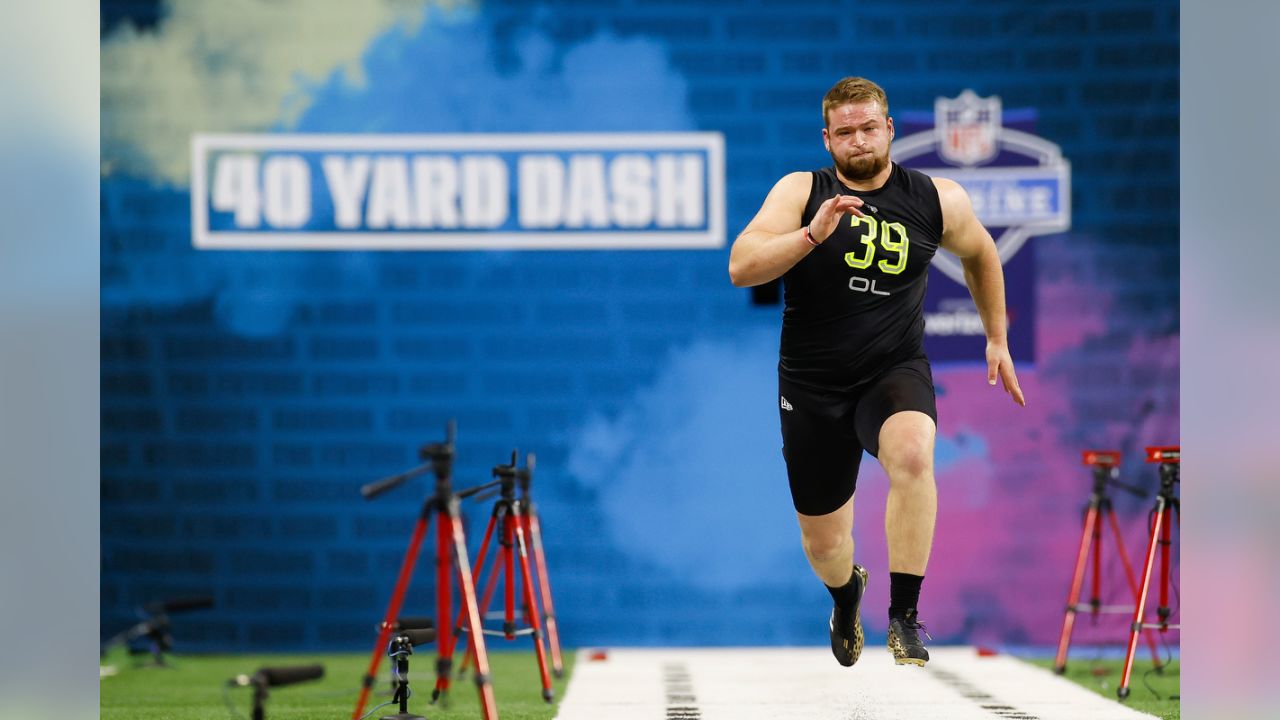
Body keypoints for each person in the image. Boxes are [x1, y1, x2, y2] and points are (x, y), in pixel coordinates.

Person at [728, 77, 1025, 668]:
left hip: (893, 369)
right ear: (828, 139)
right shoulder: (801, 189)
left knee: (914, 455)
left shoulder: (937, 198)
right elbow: (743, 266)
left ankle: (904, 617)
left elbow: (981, 253)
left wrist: (997, 336)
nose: (858, 141)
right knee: (826, 544)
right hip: (812, 387)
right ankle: (845, 596)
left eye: (869, 128)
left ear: (889, 129)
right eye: (845, 133)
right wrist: (813, 233)